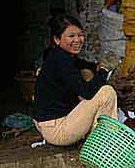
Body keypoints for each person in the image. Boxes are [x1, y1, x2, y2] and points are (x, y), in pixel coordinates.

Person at [33, 14, 119, 146]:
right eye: (71, 36)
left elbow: (82, 64)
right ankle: (102, 142)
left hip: (49, 124)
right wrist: (104, 70)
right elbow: (87, 93)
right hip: (57, 130)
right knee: (107, 92)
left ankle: (95, 134)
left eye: (80, 35)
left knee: (86, 73)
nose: (78, 40)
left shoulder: (57, 55)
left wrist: (96, 67)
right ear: (57, 39)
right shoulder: (61, 61)